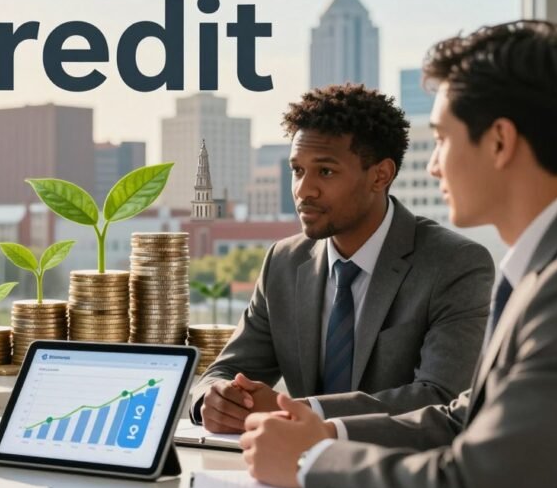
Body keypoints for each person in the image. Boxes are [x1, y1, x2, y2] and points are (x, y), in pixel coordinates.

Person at [240, 20, 557, 488]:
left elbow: (474, 487)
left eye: (441, 139)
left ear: (499, 141)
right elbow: (466, 418)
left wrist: (312, 464)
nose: (433, 166)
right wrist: (325, 433)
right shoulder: (556, 262)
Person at [192, 83, 495, 434]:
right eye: (297, 170)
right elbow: (225, 371)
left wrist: (303, 412)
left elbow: (442, 397)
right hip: (286, 475)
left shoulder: (455, 264)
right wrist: (214, 400)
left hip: (395, 477)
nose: (303, 190)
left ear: (380, 175)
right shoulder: (284, 262)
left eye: (325, 171)